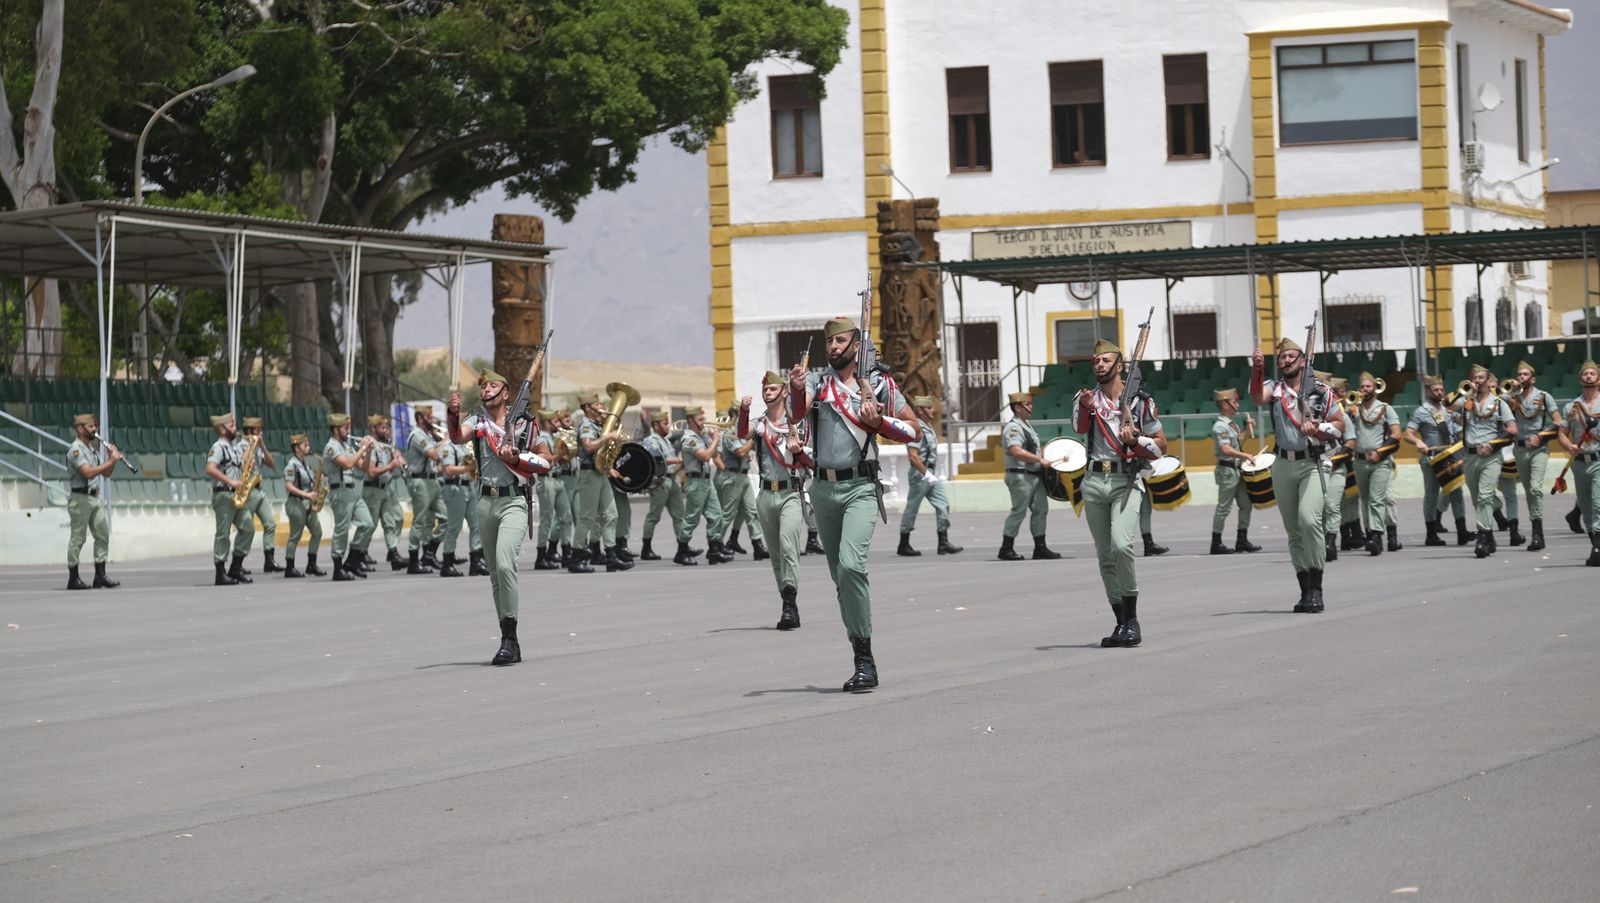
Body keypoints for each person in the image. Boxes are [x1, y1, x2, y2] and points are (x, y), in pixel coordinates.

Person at [788, 315, 918, 691]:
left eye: (841, 341)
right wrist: (796, 388)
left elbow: (914, 429)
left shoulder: (879, 384)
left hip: (860, 486)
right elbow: (797, 414)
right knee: (840, 579)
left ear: (856, 345)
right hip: (822, 489)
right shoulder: (819, 382)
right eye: (829, 342)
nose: (833, 347)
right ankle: (858, 650)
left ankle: (865, 660)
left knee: (851, 566)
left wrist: (879, 423)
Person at [447, 368, 553, 665]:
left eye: (492, 386)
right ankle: (509, 639)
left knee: (506, 565)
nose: (486, 390)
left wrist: (518, 458)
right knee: (495, 574)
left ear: (506, 394)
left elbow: (547, 460)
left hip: (513, 501)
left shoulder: (524, 424)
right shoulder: (477, 421)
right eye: (483, 387)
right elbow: (457, 437)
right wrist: (453, 414)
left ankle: (509, 639)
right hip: (485, 502)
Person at [1073, 338, 1167, 647]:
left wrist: (1136, 441)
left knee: (1121, 545)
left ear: (1120, 365)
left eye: (1105, 360)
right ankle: (1120, 622)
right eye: (1096, 361)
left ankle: (1133, 619)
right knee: (1105, 555)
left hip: (1125, 479)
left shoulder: (1141, 402)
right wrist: (1085, 407)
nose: (1100, 365)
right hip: (1093, 480)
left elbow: (1162, 446)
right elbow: (1079, 428)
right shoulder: (1087, 399)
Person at [1250, 338, 1346, 613]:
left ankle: (1317, 588)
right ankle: (1305, 591)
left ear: (1303, 360)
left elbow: (1340, 425)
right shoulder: (1275, 389)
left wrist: (1319, 428)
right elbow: (1257, 397)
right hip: (1283, 463)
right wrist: (1257, 369)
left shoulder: (1321, 391)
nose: (1286, 360)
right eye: (1282, 357)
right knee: (1293, 530)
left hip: (1312, 462)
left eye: (1291, 356)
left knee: (1309, 519)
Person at [740, 371, 814, 629]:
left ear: (784, 392)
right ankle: (787, 601)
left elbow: (812, 459)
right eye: (765, 390)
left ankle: (789, 604)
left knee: (787, 545)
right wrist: (743, 411)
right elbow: (742, 433)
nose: (768, 392)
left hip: (790, 492)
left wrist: (799, 450)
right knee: (775, 554)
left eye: (773, 389)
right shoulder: (760, 423)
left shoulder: (797, 423)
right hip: (765, 494)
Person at [1403, 375, 1474, 547]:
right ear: (1428, 391)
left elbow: (1459, 430)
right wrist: (1418, 442)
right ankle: (1431, 534)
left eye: (1441, 389)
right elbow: (1407, 434)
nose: (1440, 392)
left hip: (1449, 456)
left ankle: (1462, 532)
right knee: (1432, 496)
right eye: (1436, 390)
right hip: (1432, 458)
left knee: (1457, 493)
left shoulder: (1447, 410)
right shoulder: (1422, 411)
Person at [1458, 364, 1518, 559]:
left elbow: (1512, 430)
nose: (1477, 381)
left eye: (1481, 378)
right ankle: (1490, 536)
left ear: (1488, 380)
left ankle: (1482, 538)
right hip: (1469, 455)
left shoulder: (1499, 404)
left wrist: (1493, 444)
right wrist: (1464, 395)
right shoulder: (1466, 402)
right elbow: (1446, 407)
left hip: (1491, 456)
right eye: (1474, 378)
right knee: (1477, 499)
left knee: (1485, 496)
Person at [573, 392, 633, 573]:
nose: (601, 407)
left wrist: (609, 464)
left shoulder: (598, 425)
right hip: (589, 474)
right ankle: (576, 556)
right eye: (597, 404)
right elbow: (588, 446)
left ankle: (611, 556)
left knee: (611, 514)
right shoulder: (585, 425)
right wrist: (607, 437)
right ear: (587, 407)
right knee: (587, 517)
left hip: (599, 473)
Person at [997, 391, 1060, 561]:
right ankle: (1006, 548)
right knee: (1019, 511)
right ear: (1018, 407)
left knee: (1041, 508)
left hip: (1033, 475)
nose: (1031, 407)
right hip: (1021, 476)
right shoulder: (1014, 427)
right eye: (1028, 404)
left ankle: (1040, 547)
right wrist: (1039, 459)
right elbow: (1016, 451)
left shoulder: (1026, 426)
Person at [64, 412, 122, 589]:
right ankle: (73, 578)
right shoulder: (75, 450)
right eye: (90, 426)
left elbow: (106, 474)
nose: (94, 429)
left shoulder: (92, 449)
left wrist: (111, 460)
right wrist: (109, 461)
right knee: (78, 538)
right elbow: (88, 473)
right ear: (80, 429)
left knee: (102, 534)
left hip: (95, 498)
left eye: (95, 426)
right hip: (80, 498)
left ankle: (100, 575)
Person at [898, 395, 962, 556]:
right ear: (920, 410)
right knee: (912, 507)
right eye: (929, 407)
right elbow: (913, 456)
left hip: (931, 473)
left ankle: (943, 542)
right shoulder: (916, 429)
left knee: (943, 504)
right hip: (920, 474)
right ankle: (903, 543)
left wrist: (930, 474)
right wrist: (926, 474)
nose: (933, 410)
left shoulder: (928, 427)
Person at [1508, 361, 1562, 552]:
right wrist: (1508, 393)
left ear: (1533, 378)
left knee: (1536, 489)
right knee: (1529, 491)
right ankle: (1535, 527)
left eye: (1525, 374)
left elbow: (1558, 422)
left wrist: (1541, 436)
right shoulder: (1512, 397)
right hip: (1520, 449)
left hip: (1539, 449)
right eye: (1519, 374)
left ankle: (1537, 533)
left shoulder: (1544, 396)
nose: (1521, 377)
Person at [1348, 372, 1402, 555]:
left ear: (1375, 388)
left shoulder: (1386, 408)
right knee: (1365, 500)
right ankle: (1371, 533)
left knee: (1378, 499)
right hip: (1360, 461)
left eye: (1368, 386)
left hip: (1380, 460)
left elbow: (1396, 434)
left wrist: (1380, 452)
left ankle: (1377, 536)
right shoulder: (1354, 409)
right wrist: (1350, 413)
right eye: (1362, 387)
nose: (1364, 389)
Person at [1556, 358, 1600, 566]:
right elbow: (1562, 433)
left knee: (1598, 503)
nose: (1589, 376)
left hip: (1599, 460)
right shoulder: (1571, 407)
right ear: (1580, 378)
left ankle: (1597, 547)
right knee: (1586, 506)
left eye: (1592, 373)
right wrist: (1568, 445)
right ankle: (1595, 544)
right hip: (1579, 462)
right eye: (1585, 373)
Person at [678, 406, 734, 564]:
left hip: (706, 481)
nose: (704, 422)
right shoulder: (688, 438)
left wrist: (712, 439)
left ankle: (714, 549)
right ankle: (681, 550)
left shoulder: (701, 436)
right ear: (691, 421)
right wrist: (715, 440)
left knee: (716, 514)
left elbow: (714, 454)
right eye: (700, 419)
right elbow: (704, 456)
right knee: (692, 518)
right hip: (695, 482)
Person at [323, 413, 376, 581]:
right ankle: (338, 568)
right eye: (345, 428)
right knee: (342, 530)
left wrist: (368, 452)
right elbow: (347, 464)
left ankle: (353, 561)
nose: (348, 431)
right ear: (335, 430)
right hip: (340, 491)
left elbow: (364, 468)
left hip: (353, 491)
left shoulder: (347, 446)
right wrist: (362, 448)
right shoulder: (331, 447)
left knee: (368, 523)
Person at [204, 412, 255, 586]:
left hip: (236, 495)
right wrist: (230, 481)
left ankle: (235, 569)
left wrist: (250, 450)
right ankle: (220, 573)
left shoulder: (232, 448)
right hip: (224, 494)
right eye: (231, 425)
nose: (235, 428)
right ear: (221, 429)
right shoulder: (218, 447)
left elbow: (239, 463)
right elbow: (210, 468)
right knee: (223, 534)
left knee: (248, 528)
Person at [1208, 388, 1260, 555]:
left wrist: (1247, 429)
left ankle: (1242, 540)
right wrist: (1246, 455)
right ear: (1225, 405)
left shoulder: (1232, 425)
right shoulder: (1220, 426)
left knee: (1246, 504)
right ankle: (1216, 543)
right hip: (1227, 470)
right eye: (1234, 402)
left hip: (1236, 470)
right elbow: (1226, 449)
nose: (1237, 405)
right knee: (1224, 507)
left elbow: (1238, 441)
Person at [639, 410, 693, 564]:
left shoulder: (665, 441)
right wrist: (677, 460)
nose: (668, 426)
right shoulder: (651, 440)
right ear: (655, 425)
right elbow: (654, 458)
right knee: (654, 516)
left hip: (672, 480)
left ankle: (683, 546)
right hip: (660, 482)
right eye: (665, 423)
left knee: (679, 516)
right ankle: (646, 548)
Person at [717, 404, 768, 560]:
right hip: (733, 476)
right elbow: (740, 452)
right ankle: (716, 544)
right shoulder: (730, 432)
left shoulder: (741, 433)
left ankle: (757, 545)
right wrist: (754, 439)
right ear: (734, 415)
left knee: (752, 511)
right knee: (728, 514)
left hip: (743, 476)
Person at [235, 417, 283, 574]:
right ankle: (238, 562)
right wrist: (250, 445)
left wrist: (262, 445)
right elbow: (241, 463)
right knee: (246, 528)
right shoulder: (240, 446)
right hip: (247, 492)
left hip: (259, 490)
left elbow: (271, 463)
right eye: (258, 430)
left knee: (270, 524)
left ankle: (269, 560)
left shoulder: (258, 447)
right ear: (250, 431)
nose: (260, 432)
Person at [362, 414, 408, 570]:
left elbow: (389, 469)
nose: (386, 430)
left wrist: (396, 460)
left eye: (387, 427)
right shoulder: (370, 444)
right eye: (382, 427)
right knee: (370, 524)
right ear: (374, 428)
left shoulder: (385, 445)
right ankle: (360, 553)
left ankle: (393, 553)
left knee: (395, 519)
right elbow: (371, 471)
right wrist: (391, 465)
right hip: (373, 489)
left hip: (386, 488)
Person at [403, 405, 446, 574]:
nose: (432, 420)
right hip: (420, 481)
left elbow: (437, 452)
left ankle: (429, 554)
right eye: (429, 417)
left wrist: (444, 440)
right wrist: (446, 440)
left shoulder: (427, 435)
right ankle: (413, 561)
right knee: (419, 521)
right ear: (420, 418)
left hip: (431, 480)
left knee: (445, 518)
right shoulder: (417, 435)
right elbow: (434, 454)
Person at [281, 433, 327, 578]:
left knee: (317, 532)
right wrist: (307, 495)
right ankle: (289, 567)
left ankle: (311, 564)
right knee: (295, 535)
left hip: (308, 504)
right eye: (304, 444)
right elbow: (289, 486)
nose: (308, 446)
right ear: (296, 448)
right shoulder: (291, 465)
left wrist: (319, 481)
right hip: (296, 503)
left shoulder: (305, 463)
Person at [435, 437, 473, 577]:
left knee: (476, 524)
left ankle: (476, 560)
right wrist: (468, 468)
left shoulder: (466, 446)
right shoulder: (448, 447)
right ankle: (447, 563)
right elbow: (448, 470)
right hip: (455, 488)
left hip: (469, 487)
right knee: (454, 527)